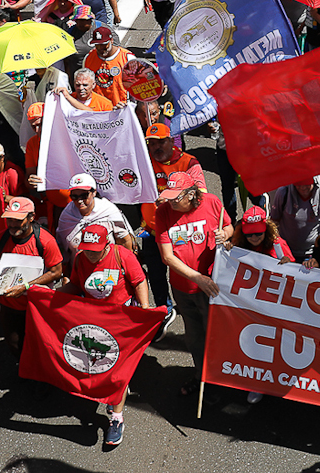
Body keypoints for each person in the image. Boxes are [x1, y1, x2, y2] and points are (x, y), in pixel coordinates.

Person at [63, 222, 152, 447]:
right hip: (95, 322)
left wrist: (144, 308)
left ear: (106, 246)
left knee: (116, 372)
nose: (91, 255)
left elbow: (139, 281)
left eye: (95, 251)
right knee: (103, 365)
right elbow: (74, 286)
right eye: (87, 249)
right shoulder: (81, 259)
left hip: (122, 319)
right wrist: (45, 294)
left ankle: (116, 419)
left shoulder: (122, 256)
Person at [156, 171, 232, 390]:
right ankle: (201, 377)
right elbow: (167, 257)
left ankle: (222, 376)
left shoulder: (212, 202)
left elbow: (229, 227)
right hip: (183, 287)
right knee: (194, 337)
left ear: (191, 194)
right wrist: (197, 278)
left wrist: (225, 235)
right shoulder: (163, 212)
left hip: (212, 285)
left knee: (216, 334)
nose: (170, 202)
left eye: (176, 197)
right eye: (168, 196)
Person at [0, 199, 64, 354]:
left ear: (31, 217)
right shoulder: (0, 238)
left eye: (18, 220)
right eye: (10, 219)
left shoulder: (46, 241)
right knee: (15, 345)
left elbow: (56, 272)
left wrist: (26, 286)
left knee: (41, 344)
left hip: (36, 306)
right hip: (9, 306)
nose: (13, 224)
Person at [268, 176, 320, 262]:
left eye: (307, 184)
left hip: (313, 254)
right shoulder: (283, 192)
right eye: (299, 185)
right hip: (286, 252)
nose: (303, 188)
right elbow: (274, 221)